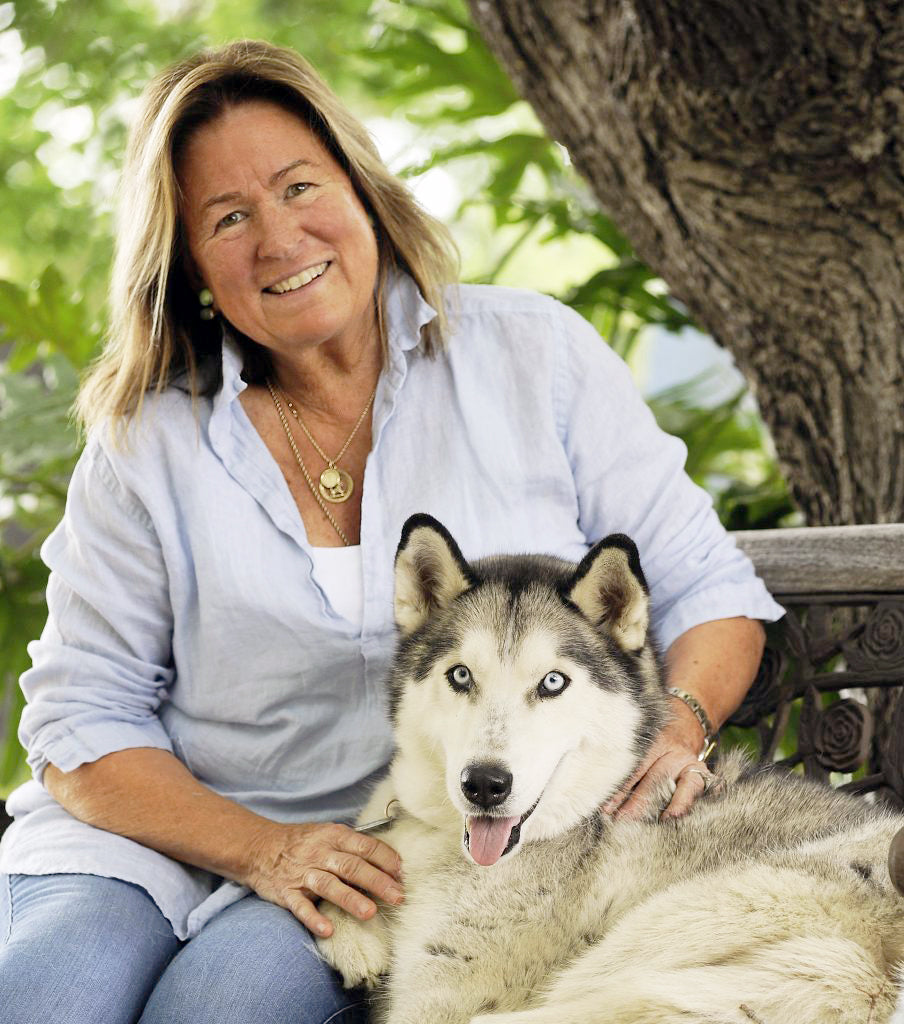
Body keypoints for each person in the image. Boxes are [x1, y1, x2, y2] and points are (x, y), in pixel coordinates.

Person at [0, 38, 782, 1024]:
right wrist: (256, 846)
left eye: (299, 187)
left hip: (381, 854)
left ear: (364, 191)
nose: (280, 240)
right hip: (143, 841)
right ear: (192, 265)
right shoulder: (143, 442)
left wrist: (676, 723)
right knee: (40, 1002)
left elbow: (709, 586)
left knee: (215, 1013)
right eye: (229, 217)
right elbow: (80, 720)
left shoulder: (531, 356)